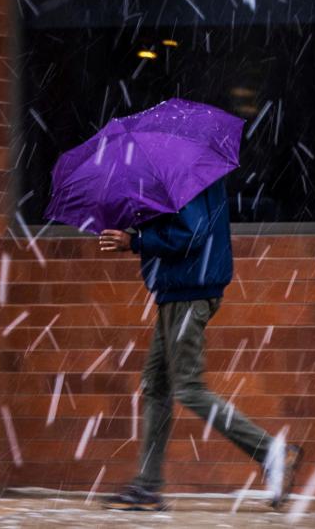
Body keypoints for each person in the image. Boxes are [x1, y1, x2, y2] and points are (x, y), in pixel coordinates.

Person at [96, 177, 303, 511]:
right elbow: (182, 225)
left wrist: (135, 242)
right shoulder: (187, 173)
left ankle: (272, 452)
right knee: (156, 384)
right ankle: (147, 487)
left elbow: (190, 233)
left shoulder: (183, 177)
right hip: (179, 291)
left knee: (188, 388)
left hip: (188, 291)